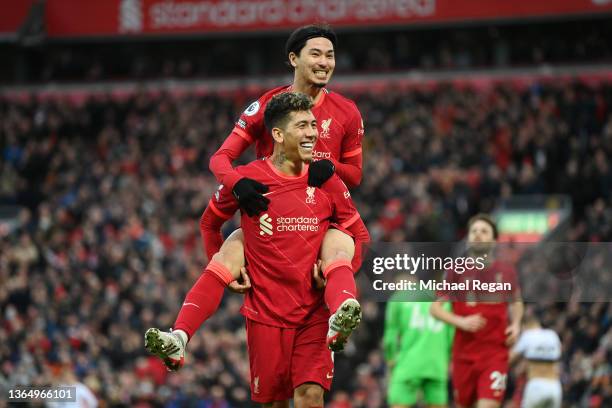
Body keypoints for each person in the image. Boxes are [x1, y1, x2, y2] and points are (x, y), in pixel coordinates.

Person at [145, 92, 365, 407]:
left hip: (314, 312)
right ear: (277, 134)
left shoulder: (325, 178)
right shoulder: (248, 179)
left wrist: (336, 279)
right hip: (266, 312)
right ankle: (179, 337)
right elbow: (209, 224)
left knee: (311, 395)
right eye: (302, 126)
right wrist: (228, 271)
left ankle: (341, 312)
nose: (313, 133)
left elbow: (360, 235)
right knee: (271, 402)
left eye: (313, 125)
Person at [203, 24, 368, 352]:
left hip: (320, 220)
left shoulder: (347, 111)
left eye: (330, 55)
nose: (324, 62)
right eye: (316, 54)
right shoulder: (267, 106)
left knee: (310, 387)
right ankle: (180, 335)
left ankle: (340, 314)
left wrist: (330, 167)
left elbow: (356, 175)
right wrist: (238, 183)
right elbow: (221, 158)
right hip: (272, 224)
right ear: (294, 58)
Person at [430, 214, 524, 408]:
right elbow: (435, 308)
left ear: (494, 240)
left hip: (495, 353)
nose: (478, 235)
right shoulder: (455, 271)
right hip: (463, 355)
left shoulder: (506, 271)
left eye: (484, 231)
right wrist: (460, 322)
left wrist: (516, 324)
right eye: (474, 231)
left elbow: (516, 301)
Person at [383, 276, 454, 408]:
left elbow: (390, 337)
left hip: (408, 364)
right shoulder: (442, 300)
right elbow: (451, 334)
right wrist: (448, 359)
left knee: (399, 403)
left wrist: (391, 359)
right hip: (436, 364)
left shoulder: (398, 299)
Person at [510, 313, 562, 408]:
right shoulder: (552, 335)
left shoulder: (528, 335)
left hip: (536, 385)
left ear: (524, 326)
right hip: (555, 386)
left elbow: (510, 359)